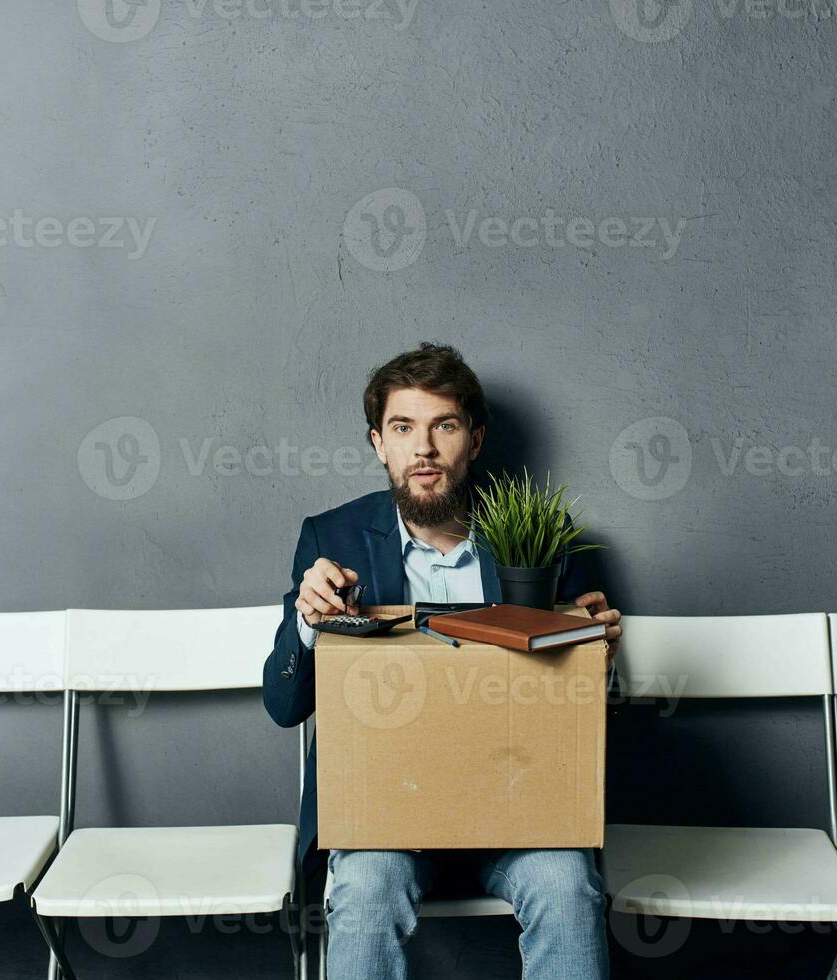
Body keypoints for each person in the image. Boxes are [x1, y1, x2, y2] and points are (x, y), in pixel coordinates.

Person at [262, 342, 622, 979]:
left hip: (519, 813)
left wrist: (596, 658)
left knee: (568, 887)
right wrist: (308, 623)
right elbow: (284, 706)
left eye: (444, 426)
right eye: (403, 428)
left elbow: (580, 713)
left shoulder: (546, 536)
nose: (423, 449)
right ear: (379, 442)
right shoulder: (332, 539)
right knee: (366, 892)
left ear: (475, 441)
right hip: (386, 817)